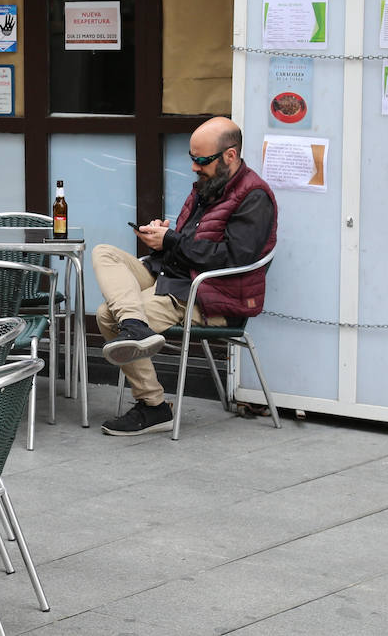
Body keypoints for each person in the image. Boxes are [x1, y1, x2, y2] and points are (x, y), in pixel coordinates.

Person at [94, 116, 277, 437]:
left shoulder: (255, 197)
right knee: (103, 253)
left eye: (202, 160)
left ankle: (153, 407)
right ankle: (135, 326)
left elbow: (234, 258)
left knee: (107, 316)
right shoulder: (207, 187)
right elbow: (194, 245)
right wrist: (164, 237)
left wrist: (173, 240)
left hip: (209, 296)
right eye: (192, 159)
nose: (194, 167)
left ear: (230, 156)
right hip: (174, 276)